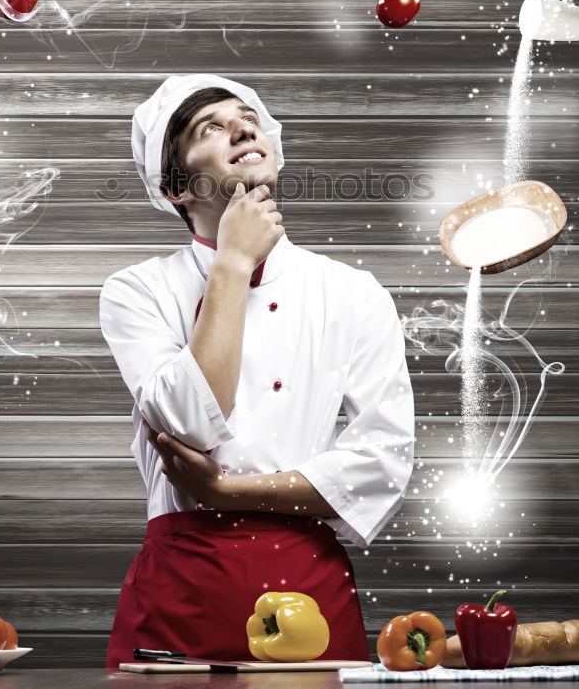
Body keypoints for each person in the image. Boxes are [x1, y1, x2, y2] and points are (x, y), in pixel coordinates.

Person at [100, 73, 415, 668]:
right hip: (180, 589)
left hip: (308, 591)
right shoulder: (137, 290)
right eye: (209, 127)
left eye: (247, 116)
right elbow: (189, 422)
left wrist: (226, 489)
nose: (242, 125)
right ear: (174, 187)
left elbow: (382, 462)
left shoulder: (353, 293)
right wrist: (234, 262)